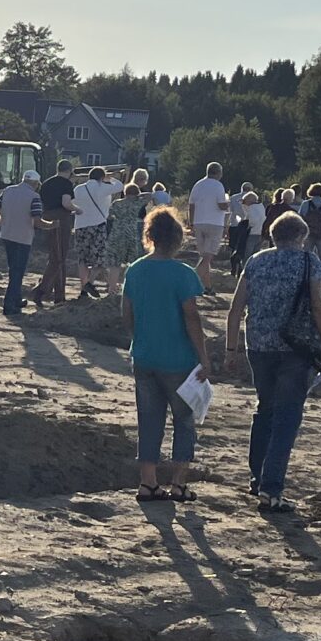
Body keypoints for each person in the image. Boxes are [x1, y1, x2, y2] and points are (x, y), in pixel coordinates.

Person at [226, 211, 321, 514]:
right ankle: (272, 490)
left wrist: (230, 350)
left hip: (258, 346)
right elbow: (318, 306)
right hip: (295, 349)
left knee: (266, 410)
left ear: (272, 235)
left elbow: (235, 308)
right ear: (301, 236)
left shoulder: (256, 261)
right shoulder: (310, 262)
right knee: (287, 417)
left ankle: (258, 478)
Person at [122, 207, 209, 501]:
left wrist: (138, 340)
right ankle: (178, 483)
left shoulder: (135, 269)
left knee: (149, 420)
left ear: (149, 236)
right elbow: (191, 318)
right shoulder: (183, 274)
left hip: (145, 356)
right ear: (176, 238)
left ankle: (147, 482)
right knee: (183, 421)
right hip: (179, 360)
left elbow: (127, 312)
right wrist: (205, 358)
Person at [0, 166, 43, 317]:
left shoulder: (8, 190)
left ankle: (16, 300)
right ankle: (9, 305)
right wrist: (52, 225)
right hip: (23, 238)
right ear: (35, 183)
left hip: (6, 234)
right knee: (17, 272)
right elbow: (37, 221)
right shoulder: (34, 197)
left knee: (13, 270)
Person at [71, 164, 119, 299]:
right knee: (100, 258)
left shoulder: (79, 189)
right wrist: (110, 178)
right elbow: (120, 185)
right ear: (101, 177)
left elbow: (72, 202)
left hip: (80, 225)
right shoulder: (103, 187)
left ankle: (84, 285)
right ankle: (89, 283)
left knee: (83, 258)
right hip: (98, 225)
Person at [34, 160, 77, 304]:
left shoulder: (46, 183)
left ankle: (59, 296)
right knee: (59, 258)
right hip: (60, 219)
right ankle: (41, 290)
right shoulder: (66, 184)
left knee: (57, 256)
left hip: (46, 216)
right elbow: (66, 203)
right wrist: (78, 209)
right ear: (70, 170)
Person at [187, 162, 232, 286]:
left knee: (204, 256)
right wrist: (228, 203)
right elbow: (221, 205)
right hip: (214, 223)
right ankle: (191, 282)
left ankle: (207, 286)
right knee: (208, 257)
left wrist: (191, 222)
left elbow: (191, 205)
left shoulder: (198, 185)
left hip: (198, 222)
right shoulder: (218, 185)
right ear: (218, 173)